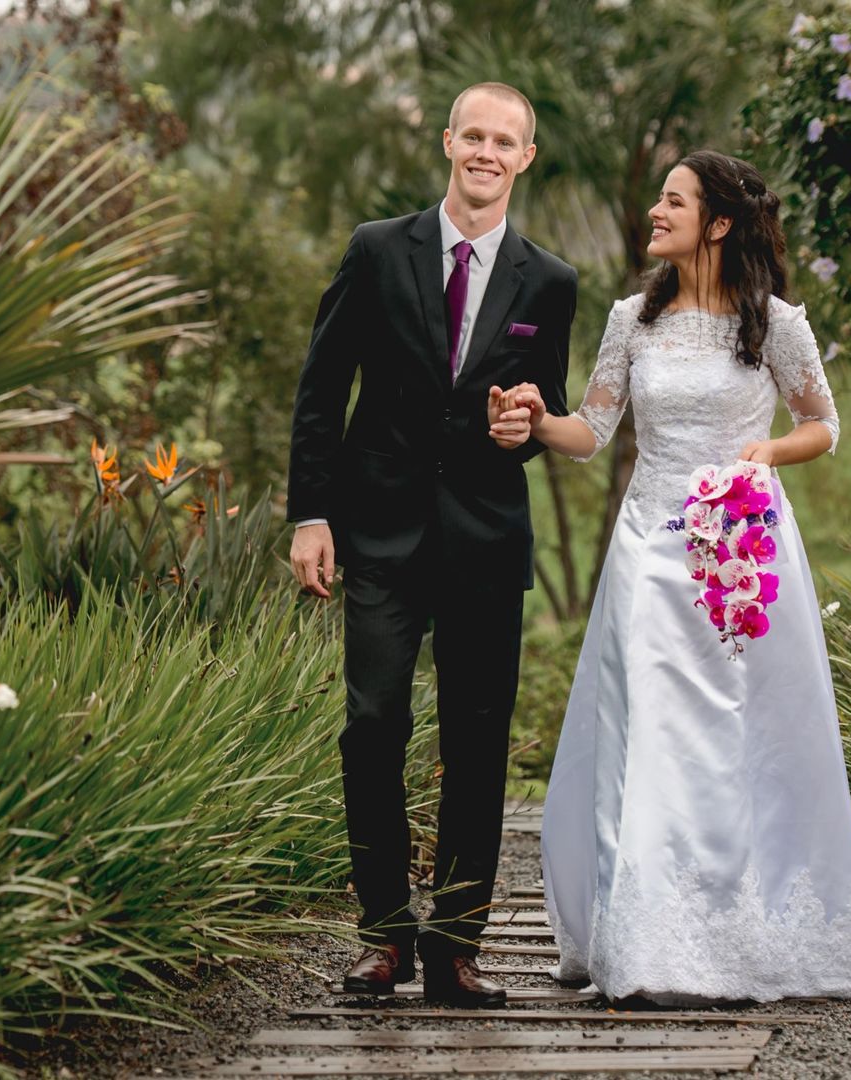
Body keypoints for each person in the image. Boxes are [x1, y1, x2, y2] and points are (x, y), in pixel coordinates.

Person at [518, 149, 851, 1005]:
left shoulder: (775, 324)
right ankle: (646, 944)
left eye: (672, 200)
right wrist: (540, 420)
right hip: (648, 547)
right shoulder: (631, 319)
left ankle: (733, 929)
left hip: (739, 552)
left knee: (737, 738)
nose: (655, 211)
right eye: (658, 198)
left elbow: (822, 424)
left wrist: (764, 452)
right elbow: (593, 430)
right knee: (648, 729)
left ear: (718, 223)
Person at [286, 81, 577, 1007]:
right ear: (449, 141)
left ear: (525, 159)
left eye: (507, 141)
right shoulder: (378, 250)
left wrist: (521, 429)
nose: (487, 152)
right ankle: (382, 936)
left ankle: (456, 943)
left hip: (484, 538)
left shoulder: (551, 281)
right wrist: (310, 515)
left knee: (479, 739)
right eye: (474, 136)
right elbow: (322, 389)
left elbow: (544, 411)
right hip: (376, 530)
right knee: (372, 725)